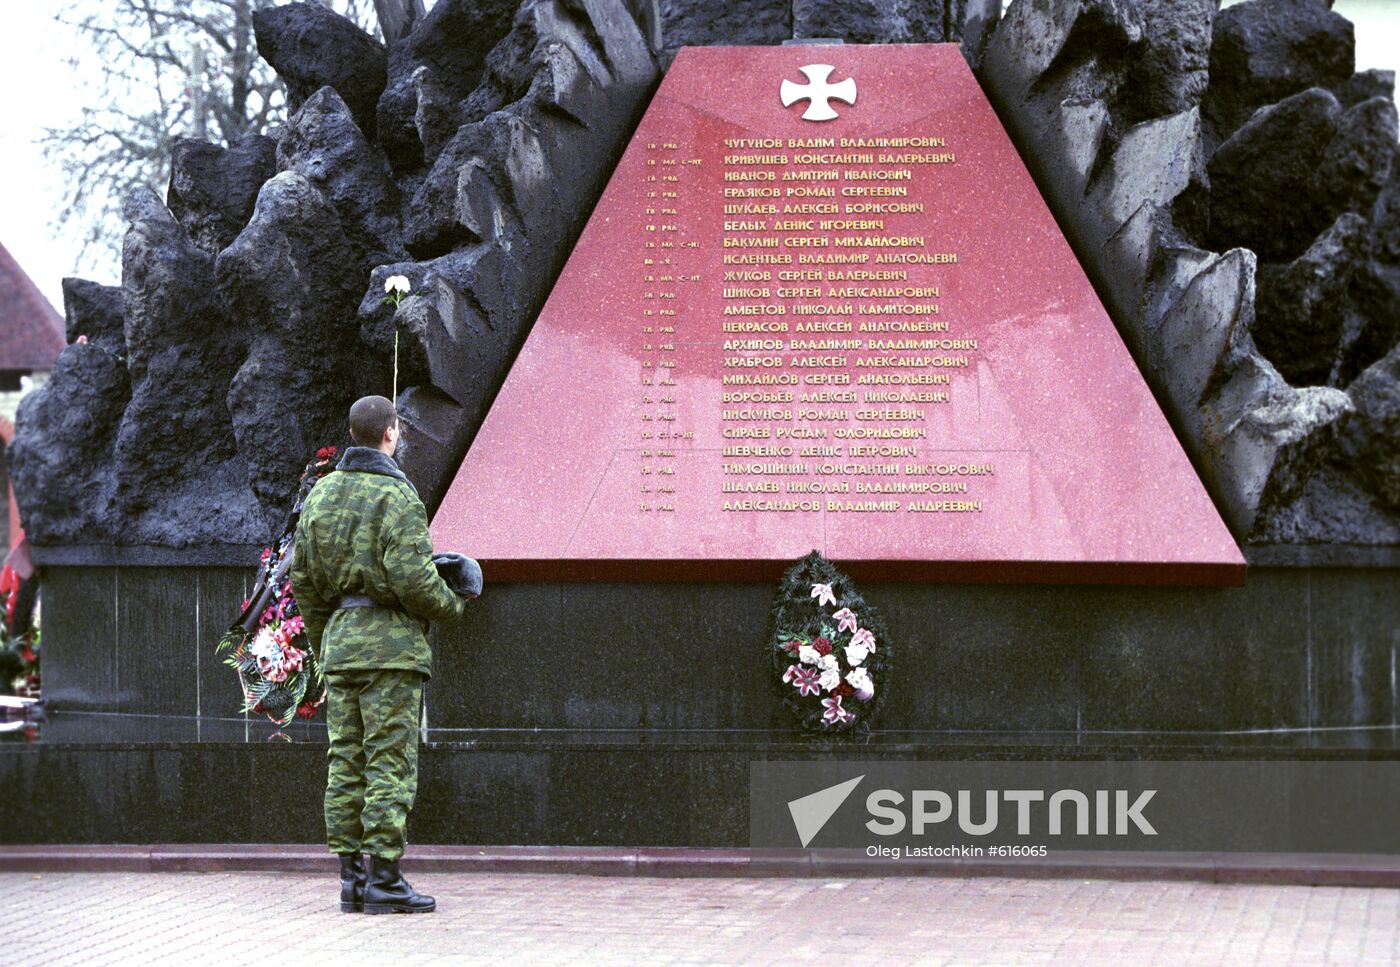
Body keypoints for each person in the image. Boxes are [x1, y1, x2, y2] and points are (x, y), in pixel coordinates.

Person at [290, 395, 471, 915]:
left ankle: (351, 880)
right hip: (391, 652)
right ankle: (385, 879)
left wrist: (330, 638)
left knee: (345, 762)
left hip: (342, 648)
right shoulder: (399, 497)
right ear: (391, 432)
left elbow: (304, 582)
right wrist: (453, 603)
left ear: (353, 433)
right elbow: (413, 580)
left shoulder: (320, 497)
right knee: (389, 764)